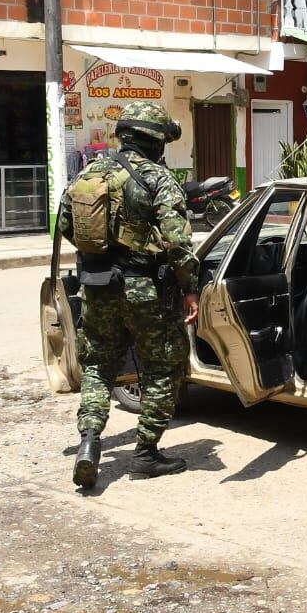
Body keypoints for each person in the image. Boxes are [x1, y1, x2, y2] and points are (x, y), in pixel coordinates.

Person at [59, 101, 200, 489]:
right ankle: (145, 453)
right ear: (154, 140)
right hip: (146, 290)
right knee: (162, 366)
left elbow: (65, 225)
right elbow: (178, 242)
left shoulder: (88, 173)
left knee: (98, 367)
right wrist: (190, 289)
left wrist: (103, 253)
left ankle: (89, 441)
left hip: (97, 287)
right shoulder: (158, 178)